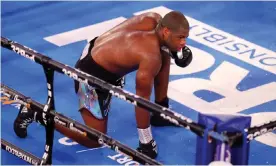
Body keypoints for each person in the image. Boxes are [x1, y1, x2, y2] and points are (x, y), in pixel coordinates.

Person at [13, 11, 192, 159]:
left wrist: (174, 49)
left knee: (164, 54)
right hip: (89, 76)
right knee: (94, 139)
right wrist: (146, 142)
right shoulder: (150, 56)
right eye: (181, 38)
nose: (184, 43)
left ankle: (161, 110)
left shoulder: (152, 19)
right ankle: (36, 113)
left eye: (186, 38)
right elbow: (140, 101)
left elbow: (118, 34)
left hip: (95, 49)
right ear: (166, 31)